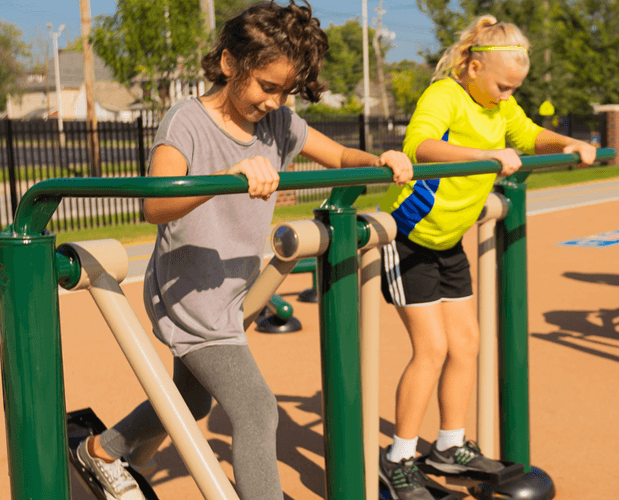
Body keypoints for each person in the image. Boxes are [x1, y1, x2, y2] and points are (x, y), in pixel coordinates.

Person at [68, 3, 415, 500]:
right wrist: (227, 177)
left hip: (235, 291)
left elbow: (340, 155)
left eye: (285, 91)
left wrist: (381, 158)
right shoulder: (187, 121)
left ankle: (99, 451)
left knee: (192, 402)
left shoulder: (279, 124)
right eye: (267, 86)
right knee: (256, 409)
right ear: (230, 63)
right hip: (192, 296)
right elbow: (155, 205)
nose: (274, 101)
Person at [375, 15, 596, 500]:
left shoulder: (502, 105)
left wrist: (570, 143)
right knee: (431, 349)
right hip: (408, 237)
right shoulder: (445, 95)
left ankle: (449, 445)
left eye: (515, 88)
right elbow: (420, 146)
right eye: (503, 86)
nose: (507, 96)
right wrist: (485, 155)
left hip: (449, 241)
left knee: (466, 344)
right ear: (474, 68)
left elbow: (530, 134)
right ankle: (398, 458)